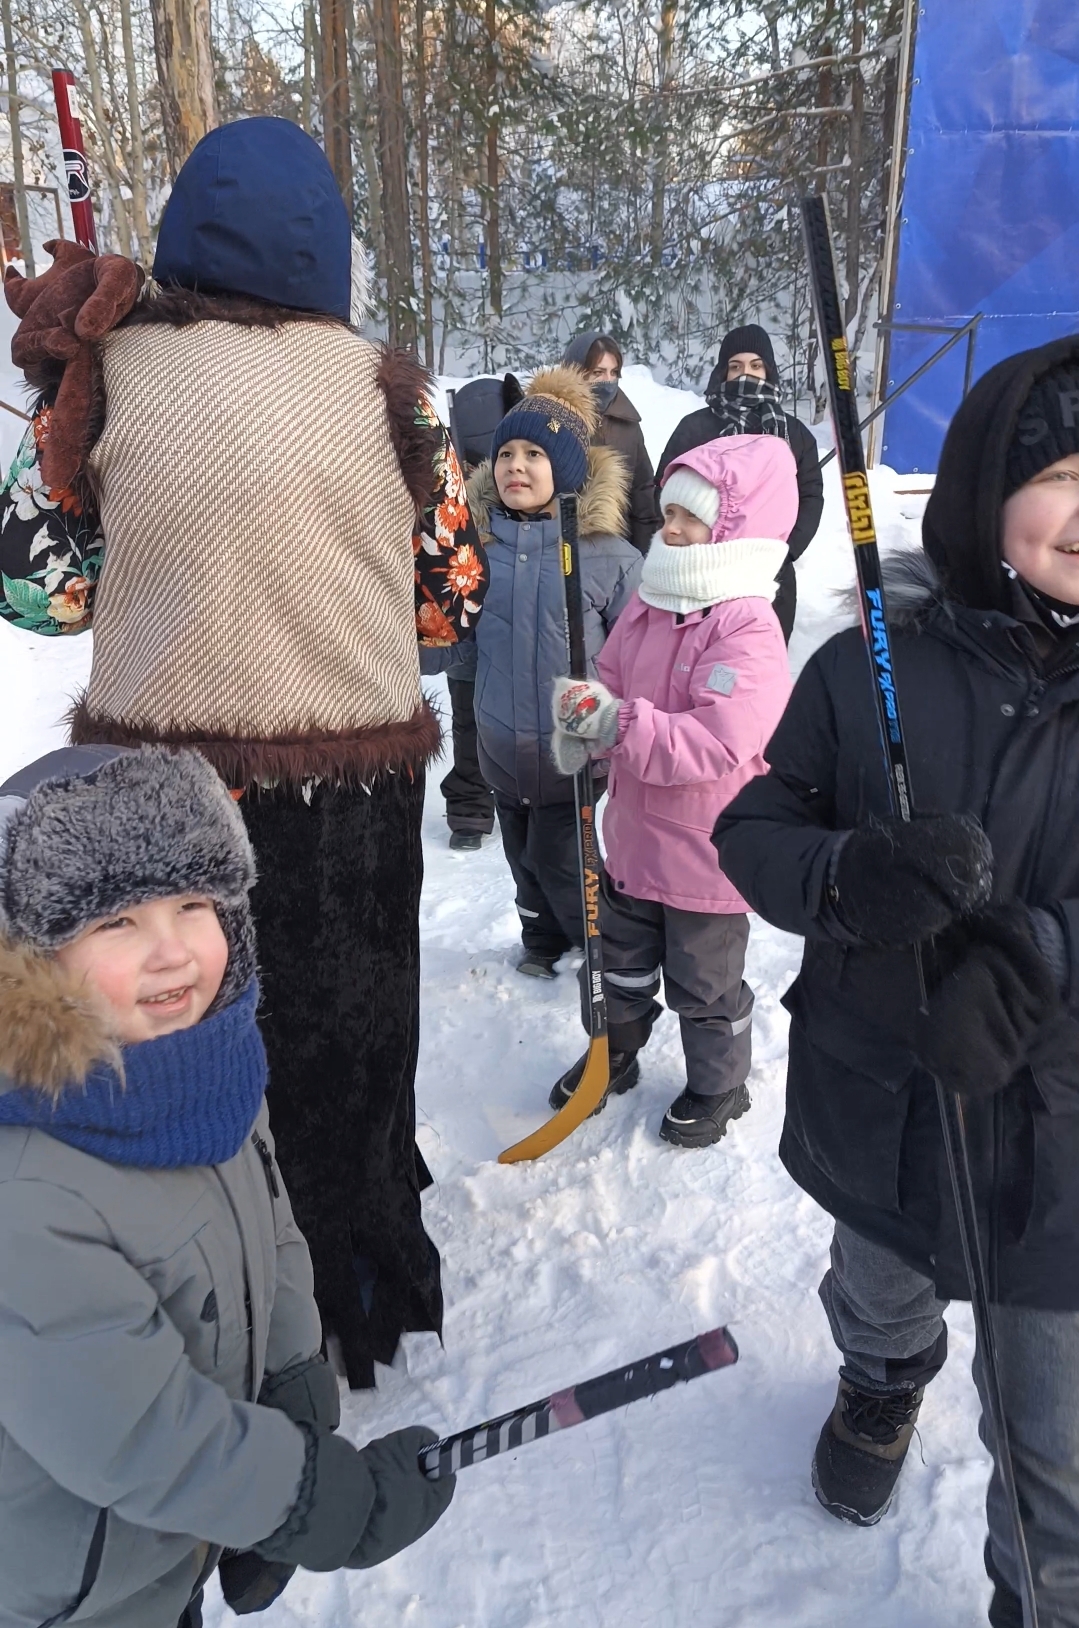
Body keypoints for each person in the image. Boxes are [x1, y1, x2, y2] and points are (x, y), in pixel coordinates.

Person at [0, 116, 489, 1391]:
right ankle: (358, 1285)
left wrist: (66, 407)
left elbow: (37, 591)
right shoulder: (391, 391)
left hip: (164, 802)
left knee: (175, 1040)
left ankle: (194, 1299)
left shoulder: (111, 371)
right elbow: (452, 603)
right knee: (351, 1041)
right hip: (352, 790)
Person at [714, 337, 1079, 1627]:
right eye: (1062, 477)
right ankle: (880, 1375)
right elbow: (754, 826)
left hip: (1058, 1148)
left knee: (1055, 1444)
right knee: (875, 1281)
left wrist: (1042, 956)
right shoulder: (869, 662)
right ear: (984, 491)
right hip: (879, 1094)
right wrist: (846, 878)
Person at [0, 745, 454, 1628]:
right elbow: (137, 1434)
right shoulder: (29, 1190)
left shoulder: (210, 1066)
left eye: (193, 905)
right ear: (33, 958)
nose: (172, 952)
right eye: (117, 921)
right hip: (69, 1599)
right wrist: (312, 1499)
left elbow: (270, 1232)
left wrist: (296, 1390)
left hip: (164, 1553)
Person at [546, 435, 796, 1145]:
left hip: (705, 858)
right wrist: (583, 722)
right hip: (632, 840)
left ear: (734, 532)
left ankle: (719, 1084)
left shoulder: (747, 626)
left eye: (691, 518)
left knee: (704, 985)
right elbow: (609, 677)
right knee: (616, 966)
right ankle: (613, 1054)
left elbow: (719, 741)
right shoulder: (652, 601)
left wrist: (616, 724)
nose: (673, 530)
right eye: (669, 516)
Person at [468, 365, 640, 977]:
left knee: (564, 861)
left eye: (534, 454)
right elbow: (460, 646)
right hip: (501, 743)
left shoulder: (609, 558)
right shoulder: (478, 551)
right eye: (505, 454)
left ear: (565, 469)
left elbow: (636, 655)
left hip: (575, 752)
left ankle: (600, 947)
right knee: (521, 859)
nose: (515, 466)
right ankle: (540, 938)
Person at [656, 324, 824, 642]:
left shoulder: (794, 433)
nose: (746, 374)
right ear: (723, 372)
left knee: (758, 658)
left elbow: (810, 495)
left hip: (769, 573)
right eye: (736, 366)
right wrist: (687, 541)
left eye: (755, 365)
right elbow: (663, 488)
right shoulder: (696, 427)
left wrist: (786, 550)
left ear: (768, 371)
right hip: (700, 570)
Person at [426, 373, 522, 851]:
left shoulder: (523, 478)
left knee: (490, 714)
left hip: (502, 616)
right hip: (468, 616)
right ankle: (471, 805)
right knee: (471, 712)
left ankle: (485, 803)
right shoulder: (447, 485)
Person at [563, 332, 660, 553]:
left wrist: (642, 552)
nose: (607, 381)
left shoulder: (628, 425)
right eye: (597, 372)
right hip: (563, 549)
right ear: (575, 371)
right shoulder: (553, 419)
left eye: (614, 372)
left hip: (618, 549)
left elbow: (642, 492)